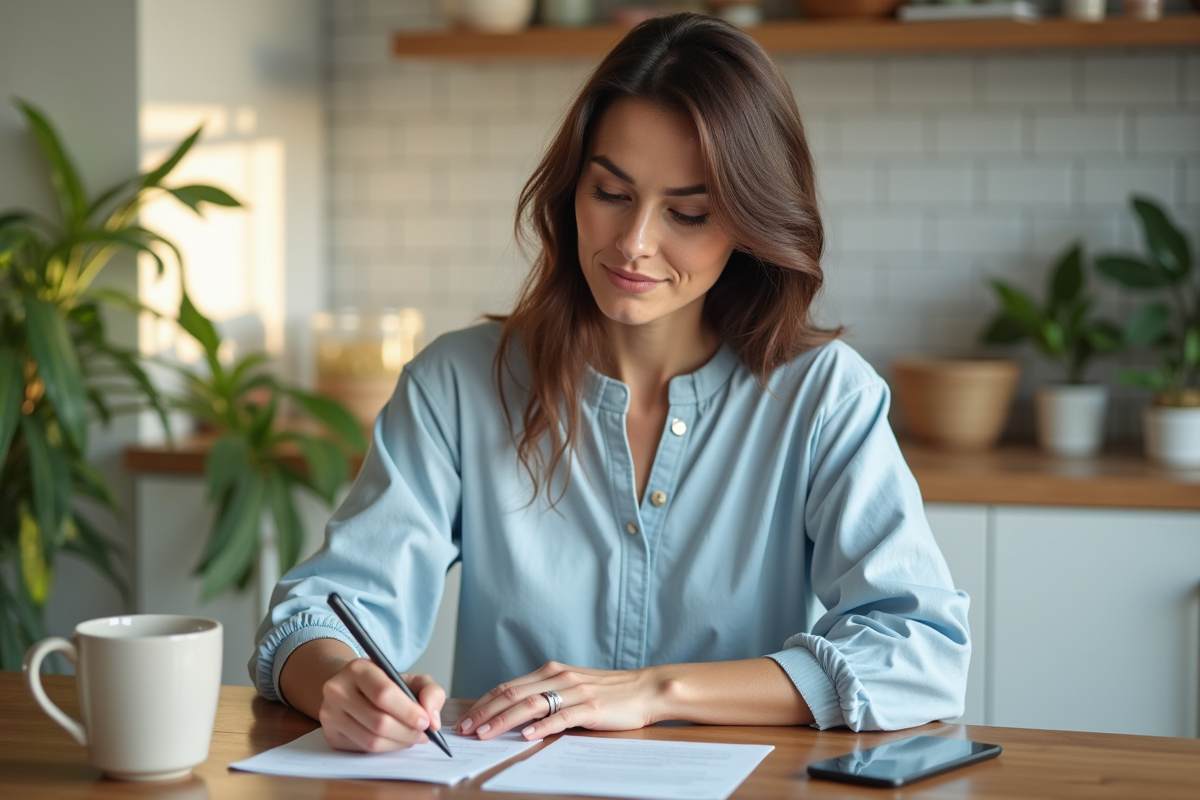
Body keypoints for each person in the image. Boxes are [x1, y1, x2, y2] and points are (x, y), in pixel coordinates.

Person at [249, 13, 970, 753]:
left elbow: (921, 653)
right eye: (611, 193)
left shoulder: (823, 397)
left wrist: (658, 691)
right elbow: (319, 616)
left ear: (750, 223)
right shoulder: (456, 385)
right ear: (571, 190)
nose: (634, 243)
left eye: (688, 212)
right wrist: (341, 683)